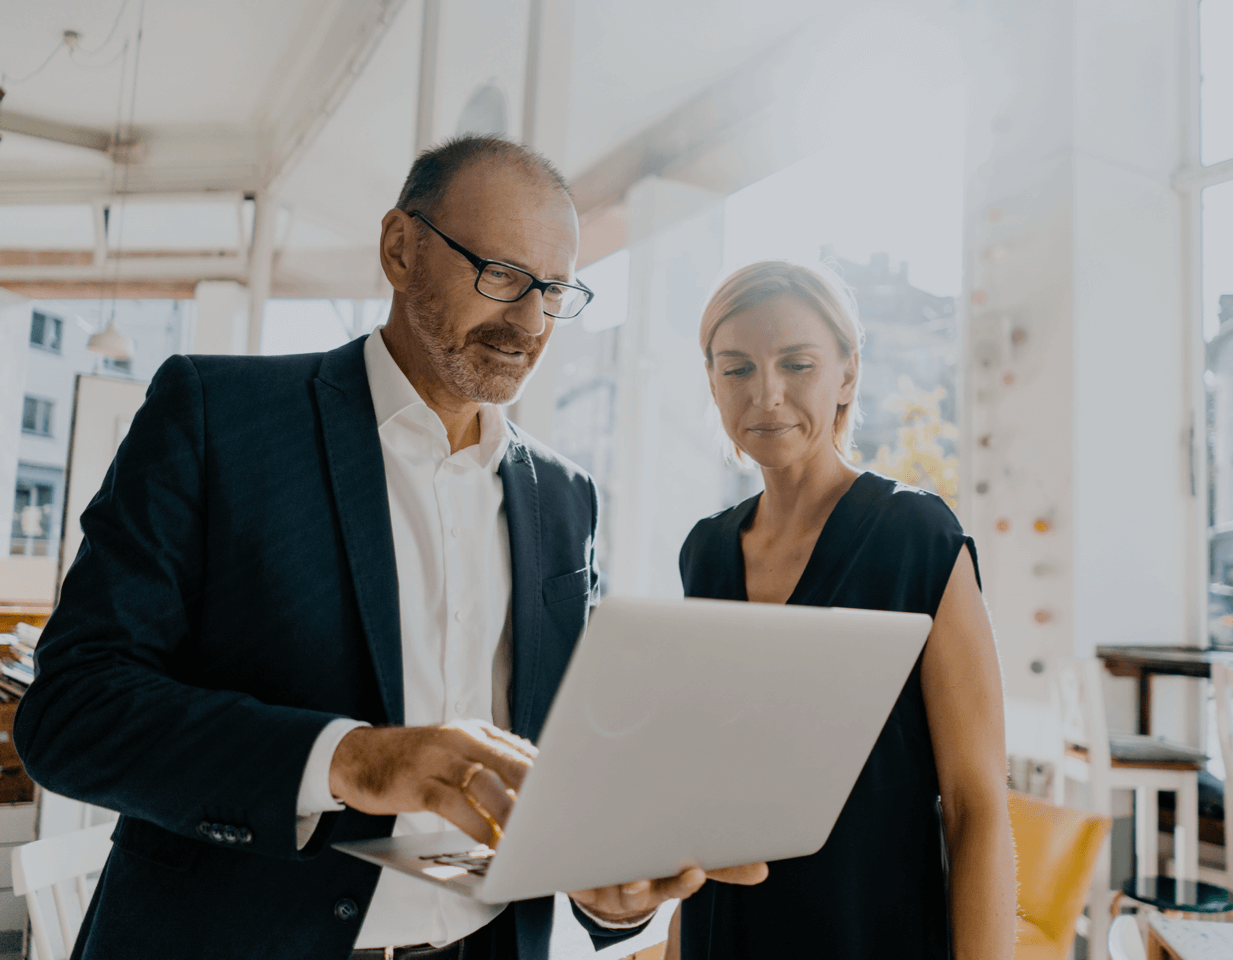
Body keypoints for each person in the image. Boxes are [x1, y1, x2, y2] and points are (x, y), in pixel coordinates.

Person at [14, 135, 760, 960]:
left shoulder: (564, 498)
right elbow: (70, 715)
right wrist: (353, 761)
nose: (527, 323)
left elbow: (550, 753)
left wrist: (608, 888)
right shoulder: (214, 415)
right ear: (400, 250)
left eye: (552, 290)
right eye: (502, 275)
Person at [671, 261, 1016, 959]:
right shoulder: (705, 552)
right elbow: (704, 794)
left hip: (865, 930)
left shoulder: (916, 535)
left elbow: (977, 805)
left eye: (796, 364)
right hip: (723, 930)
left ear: (847, 375)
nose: (766, 395)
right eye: (736, 369)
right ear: (712, 382)